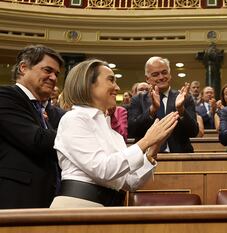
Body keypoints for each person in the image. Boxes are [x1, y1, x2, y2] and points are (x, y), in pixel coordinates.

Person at [50, 59, 178, 208]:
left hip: (110, 208)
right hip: (77, 207)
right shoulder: (74, 119)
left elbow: (130, 182)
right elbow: (103, 169)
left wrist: (153, 149)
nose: (117, 87)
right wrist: (146, 141)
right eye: (111, 80)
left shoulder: (113, 133)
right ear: (88, 84)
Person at [0, 44, 64, 208]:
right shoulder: (6, 97)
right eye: (47, 70)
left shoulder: (53, 113)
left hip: (49, 201)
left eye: (56, 74)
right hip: (15, 200)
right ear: (23, 68)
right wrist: (81, 135)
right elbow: (37, 139)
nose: (53, 77)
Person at [128, 56, 199, 153]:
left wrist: (181, 110)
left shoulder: (184, 98)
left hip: (180, 158)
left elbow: (194, 132)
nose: (161, 77)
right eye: (155, 74)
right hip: (146, 158)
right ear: (147, 79)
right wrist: (152, 110)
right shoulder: (138, 100)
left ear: (170, 75)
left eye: (164, 73)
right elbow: (132, 131)